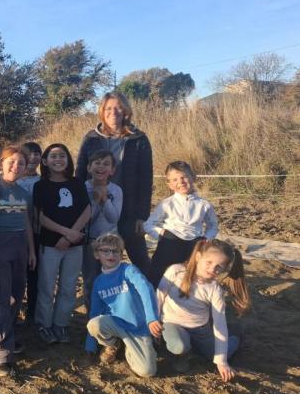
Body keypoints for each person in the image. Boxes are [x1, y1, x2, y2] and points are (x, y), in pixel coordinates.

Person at [76, 92, 153, 275]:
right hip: (96, 212)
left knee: (141, 262)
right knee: (93, 267)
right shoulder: (91, 138)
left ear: (125, 110)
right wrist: (79, 212)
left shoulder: (138, 139)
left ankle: (149, 292)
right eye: (108, 108)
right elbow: (80, 174)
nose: (113, 112)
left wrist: (142, 216)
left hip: (129, 211)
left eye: (118, 107)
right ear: (102, 111)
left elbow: (145, 179)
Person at [157, 239, 251, 382]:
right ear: (198, 256)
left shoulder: (215, 289)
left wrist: (222, 362)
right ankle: (184, 355)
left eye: (219, 267)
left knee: (217, 355)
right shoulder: (175, 271)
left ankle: (236, 336)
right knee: (178, 346)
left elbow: (219, 324)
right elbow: (158, 297)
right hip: (172, 323)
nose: (213, 269)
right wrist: (153, 320)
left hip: (200, 329)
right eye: (209, 262)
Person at [0, 146, 36, 377]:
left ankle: (8, 336)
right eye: (11, 161)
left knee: (15, 295)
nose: (16, 166)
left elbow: (27, 224)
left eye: (21, 163)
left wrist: (31, 251)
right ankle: (1, 353)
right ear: (1, 163)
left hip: (20, 245)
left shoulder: (23, 193)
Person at [34, 143, 91, 344]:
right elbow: (40, 217)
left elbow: (87, 211)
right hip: (50, 245)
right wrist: (65, 233)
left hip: (75, 246)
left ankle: (61, 323)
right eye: (53, 156)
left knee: (68, 286)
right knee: (46, 287)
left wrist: (70, 237)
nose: (58, 160)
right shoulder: (40, 186)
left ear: (68, 160)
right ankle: (44, 324)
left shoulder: (77, 183)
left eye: (62, 156)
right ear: (45, 161)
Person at [86, 233, 161, 378]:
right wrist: (90, 344)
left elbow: (146, 289)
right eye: (105, 251)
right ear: (96, 254)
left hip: (137, 327)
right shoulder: (98, 282)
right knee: (94, 324)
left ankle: (129, 349)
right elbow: (95, 312)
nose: (111, 255)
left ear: (121, 255)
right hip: (115, 324)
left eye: (116, 251)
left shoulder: (129, 270)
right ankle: (112, 345)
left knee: (147, 371)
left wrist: (152, 318)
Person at [144, 161, 218, 288]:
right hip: (170, 241)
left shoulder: (204, 204)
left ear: (193, 177)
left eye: (184, 177)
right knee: (158, 274)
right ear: (169, 184)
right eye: (175, 180)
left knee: (192, 276)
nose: (181, 182)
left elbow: (213, 226)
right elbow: (149, 225)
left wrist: (206, 239)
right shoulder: (166, 204)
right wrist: (162, 234)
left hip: (194, 243)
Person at [81, 149, 123, 313]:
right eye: (97, 163)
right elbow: (87, 219)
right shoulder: (83, 188)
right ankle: (92, 315)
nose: (101, 167)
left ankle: (111, 314)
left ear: (112, 170)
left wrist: (105, 200)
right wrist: (96, 200)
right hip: (90, 241)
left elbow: (114, 218)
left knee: (110, 279)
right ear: (89, 167)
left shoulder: (116, 190)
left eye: (106, 164)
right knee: (90, 280)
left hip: (110, 242)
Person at [16, 142, 42, 323]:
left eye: (37, 153)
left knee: (35, 274)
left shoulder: (43, 180)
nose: (33, 157)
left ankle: (32, 311)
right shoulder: (13, 180)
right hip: (16, 232)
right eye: (29, 154)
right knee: (17, 274)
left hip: (38, 232)